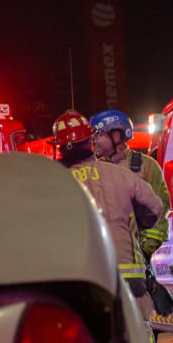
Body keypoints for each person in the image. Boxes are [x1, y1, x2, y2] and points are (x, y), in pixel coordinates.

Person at [51, 109, 163, 321]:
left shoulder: (55, 183)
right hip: (130, 279)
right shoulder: (120, 174)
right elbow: (154, 208)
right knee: (137, 336)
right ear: (89, 141)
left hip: (87, 283)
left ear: (61, 148)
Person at [90, 110, 170, 264]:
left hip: (135, 261)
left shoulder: (147, 166)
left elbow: (161, 212)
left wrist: (145, 251)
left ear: (116, 136)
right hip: (101, 263)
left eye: (98, 134)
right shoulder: (92, 171)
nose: (94, 140)